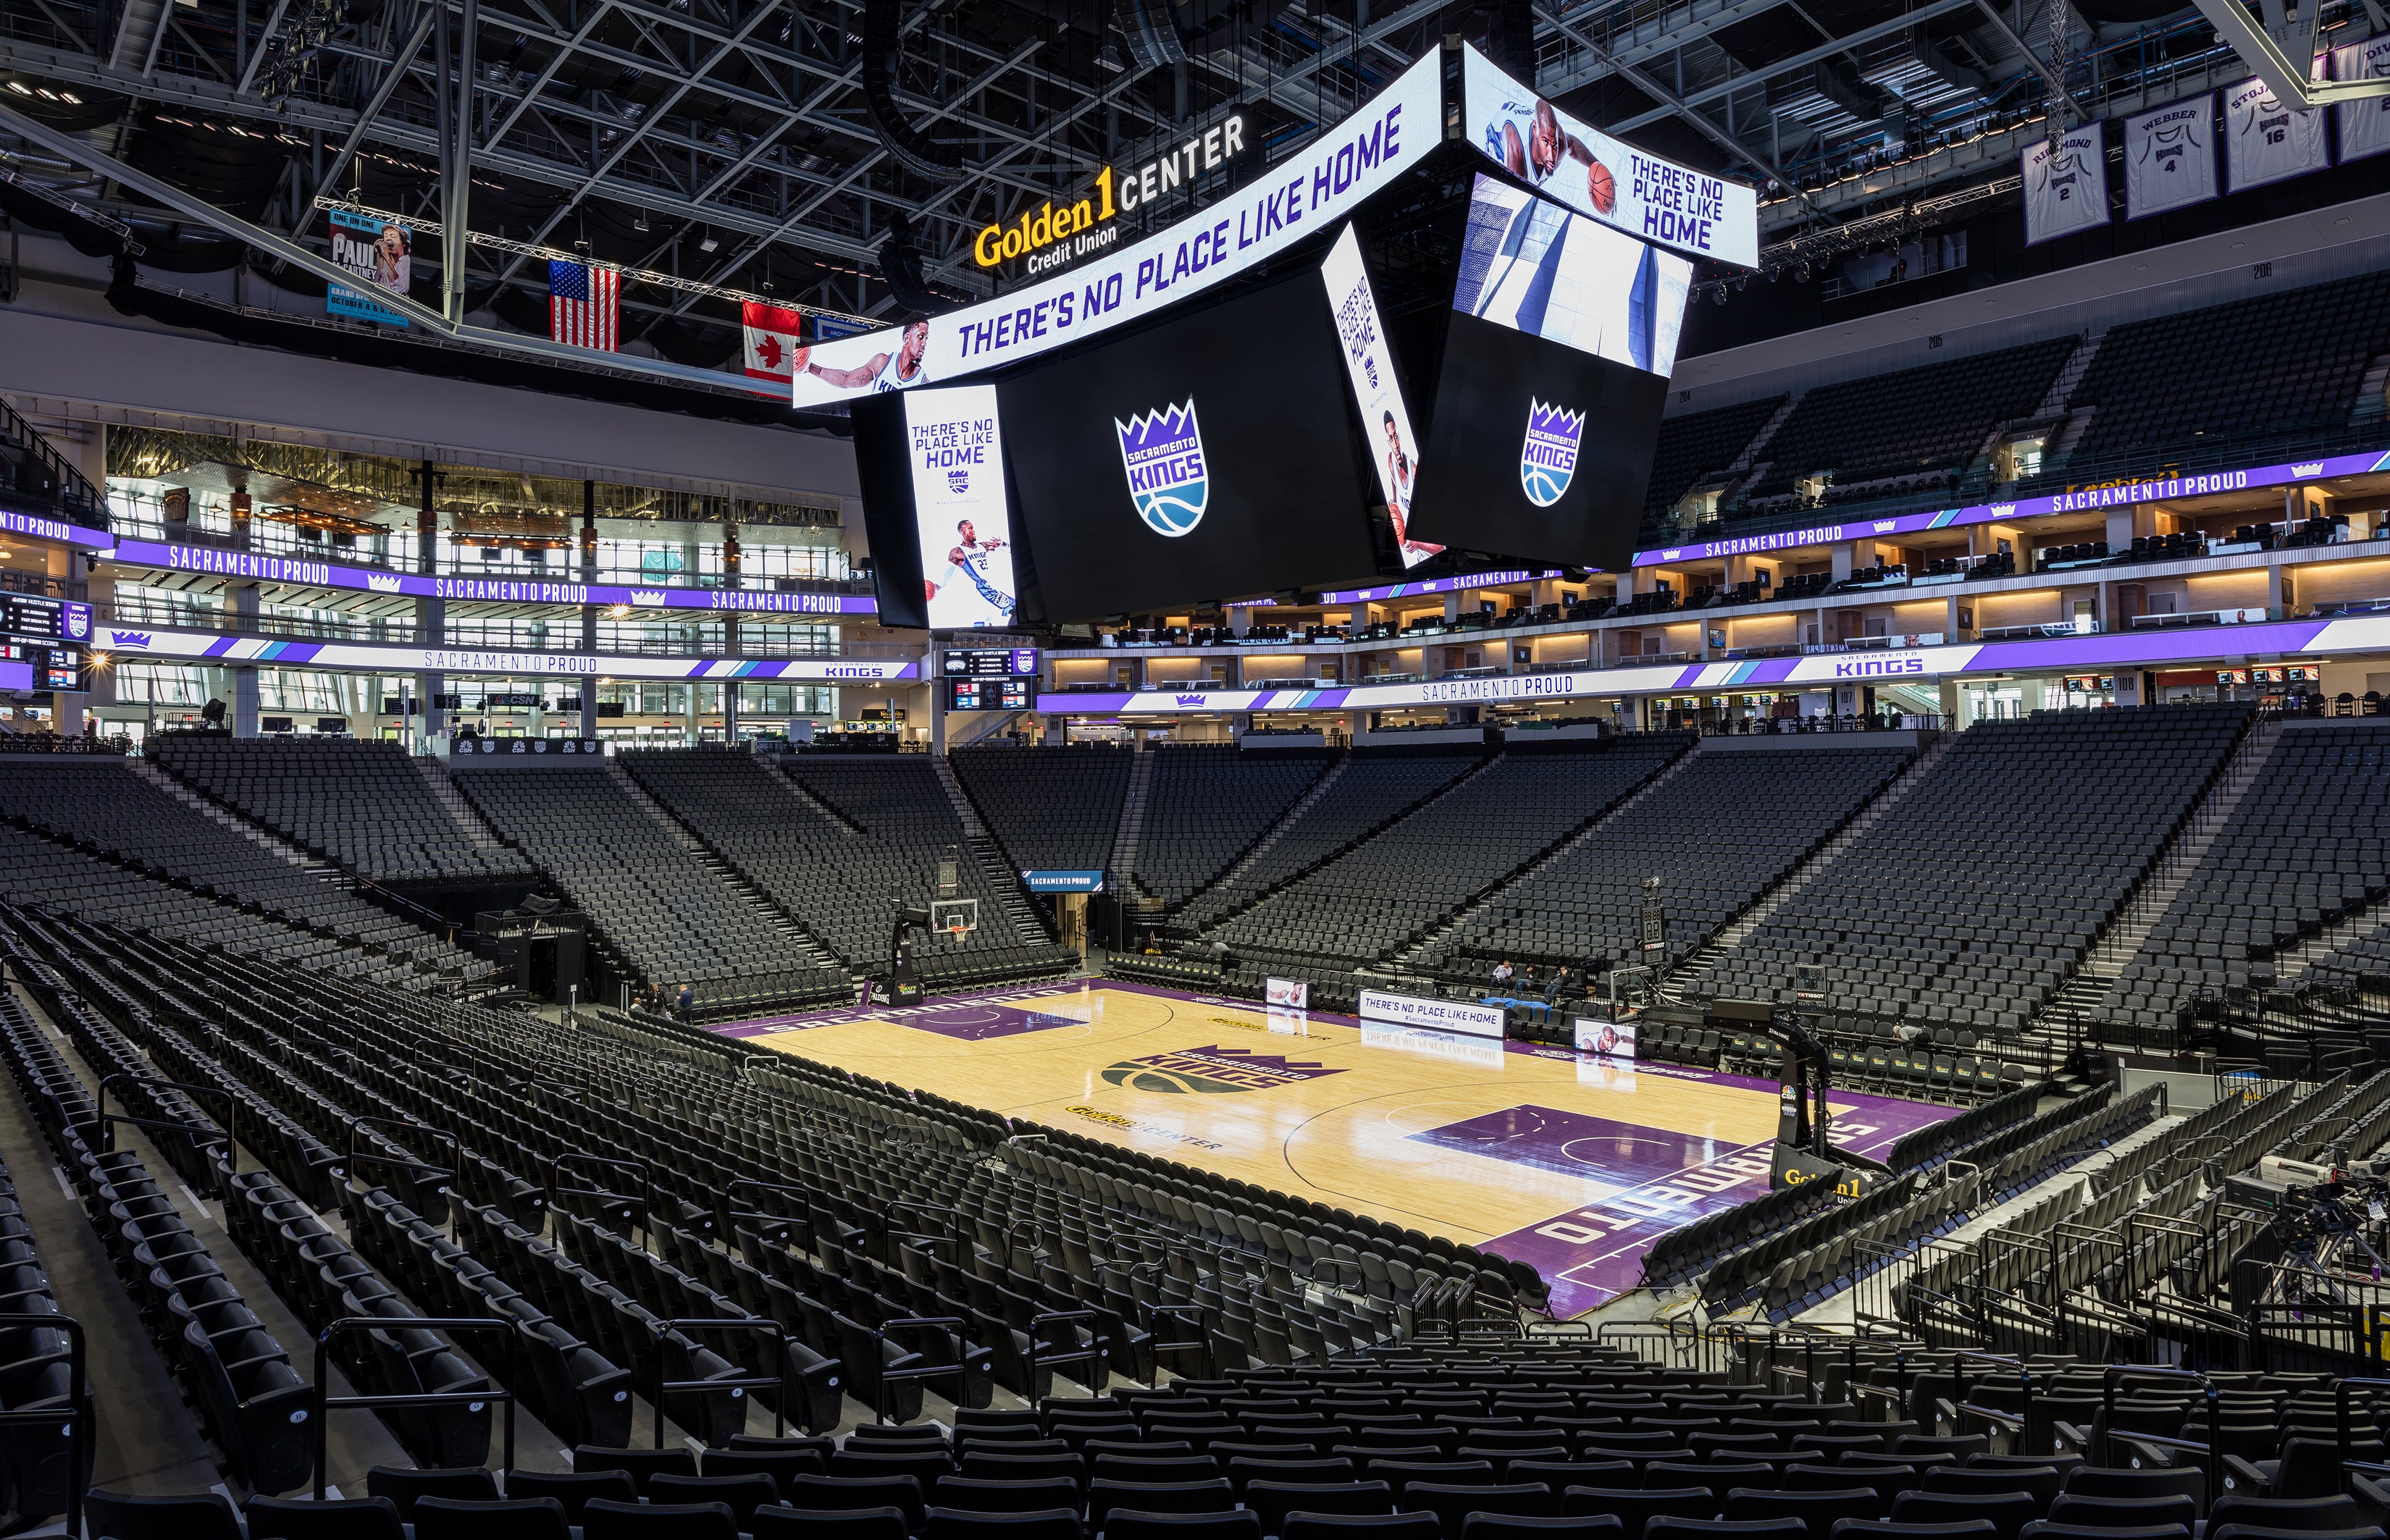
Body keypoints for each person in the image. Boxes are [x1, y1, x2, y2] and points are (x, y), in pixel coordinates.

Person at [1493, 97, 1617, 216]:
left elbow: (1574, 146)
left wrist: (1600, 168)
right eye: (1546, 142)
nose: (1552, 155)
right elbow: (1513, 205)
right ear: (1535, 130)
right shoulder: (1516, 157)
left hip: (1527, 118)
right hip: (1496, 135)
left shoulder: (1560, 141)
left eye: (1554, 145)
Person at [794, 318, 930, 392]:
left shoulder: (923, 383)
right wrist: (810, 368)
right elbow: (846, 380)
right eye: (921, 337)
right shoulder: (882, 363)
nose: (924, 343)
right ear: (906, 339)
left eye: (926, 338)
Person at [925, 517, 1014, 625]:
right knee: (992, 620)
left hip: (990, 590)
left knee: (1013, 611)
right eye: (970, 528)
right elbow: (945, 577)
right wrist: (933, 590)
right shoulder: (957, 552)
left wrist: (1003, 544)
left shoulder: (983, 546)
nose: (974, 530)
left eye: (973, 528)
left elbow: (1011, 550)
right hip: (980, 591)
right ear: (962, 531)